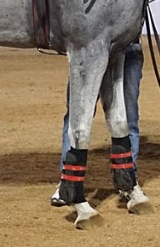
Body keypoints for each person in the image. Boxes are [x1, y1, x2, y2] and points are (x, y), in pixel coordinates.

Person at [51, 42, 144, 206]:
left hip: (126, 47)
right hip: (90, 49)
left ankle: (129, 181)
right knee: (76, 116)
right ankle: (67, 182)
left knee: (128, 118)